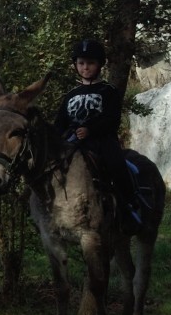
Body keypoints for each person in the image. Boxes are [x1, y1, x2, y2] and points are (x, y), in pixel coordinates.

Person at [53, 38, 143, 225]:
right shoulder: (71, 95)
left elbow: (112, 119)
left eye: (91, 63)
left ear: (100, 64)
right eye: (81, 63)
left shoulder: (108, 91)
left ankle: (129, 204)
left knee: (116, 163)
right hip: (72, 140)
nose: (86, 67)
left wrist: (90, 130)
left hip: (101, 140)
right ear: (75, 65)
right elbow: (60, 122)